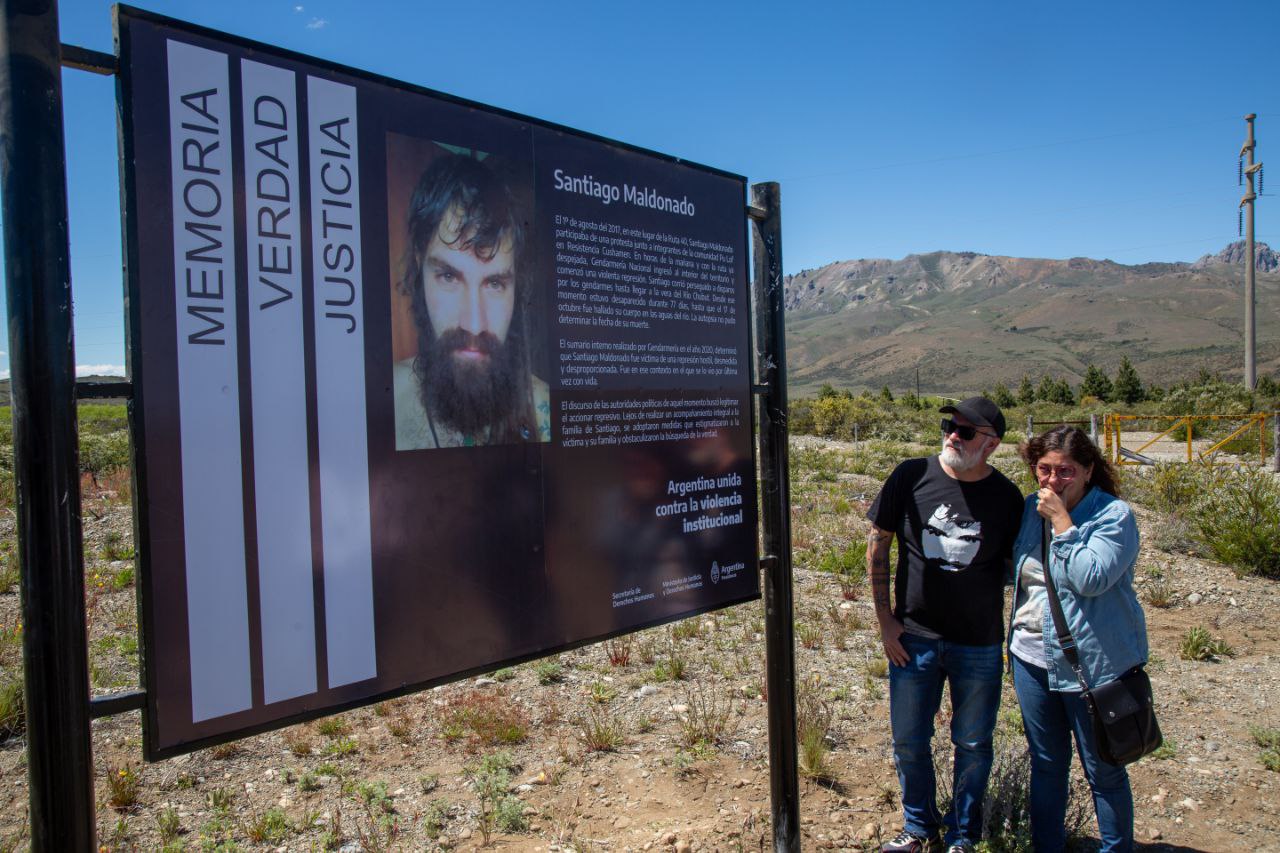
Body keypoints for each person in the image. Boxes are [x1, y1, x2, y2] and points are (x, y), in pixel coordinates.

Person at [868, 397, 1025, 853]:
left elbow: (1022, 567)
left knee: (973, 743)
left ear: (991, 444)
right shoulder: (911, 475)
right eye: (950, 425)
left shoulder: (1006, 498)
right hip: (913, 638)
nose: (953, 434)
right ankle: (918, 829)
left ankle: (963, 835)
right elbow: (878, 545)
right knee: (909, 741)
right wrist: (884, 621)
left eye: (967, 431)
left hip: (978, 643)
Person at [1008, 426, 1144, 852]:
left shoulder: (1112, 515)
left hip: (1094, 665)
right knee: (1047, 764)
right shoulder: (1029, 510)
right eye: (1044, 470)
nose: (1052, 481)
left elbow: (1092, 577)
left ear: (1087, 471)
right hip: (1031, 658)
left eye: (1065, 472)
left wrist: (1064, 524)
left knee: (1104, 769)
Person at [393, 152, 550, 449]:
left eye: (494, 283)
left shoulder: (546, 413)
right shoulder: (376, 404)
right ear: (419, 266)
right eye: (449, 277)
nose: (474, 324)